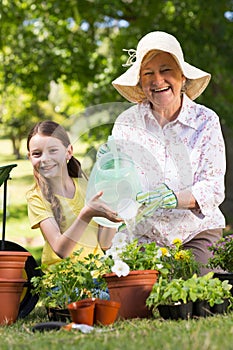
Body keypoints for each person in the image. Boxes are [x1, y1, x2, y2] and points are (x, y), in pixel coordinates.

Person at [107, 31, 226, 275]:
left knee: (195, 288)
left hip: (195, 233)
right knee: (136, 292)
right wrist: (108, 171)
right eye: (148, 73)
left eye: (166, 70)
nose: (157, 80)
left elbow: (213, 188)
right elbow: (119, 187)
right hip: (143, 237)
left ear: (182, 77)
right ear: (140, 82)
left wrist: (174, 198)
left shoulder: (205, 121)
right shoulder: (126, 123)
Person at [26, 120, 122, 267]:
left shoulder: (87, 188)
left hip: (97, 275)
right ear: (29, 157)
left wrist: (113, 206)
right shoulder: (37, 197)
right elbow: (60, 249)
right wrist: (87, 214)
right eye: (37, 154)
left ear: (68, 152)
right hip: (63, 281)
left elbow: (105, 243)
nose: (45, 159)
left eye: (53, 150)